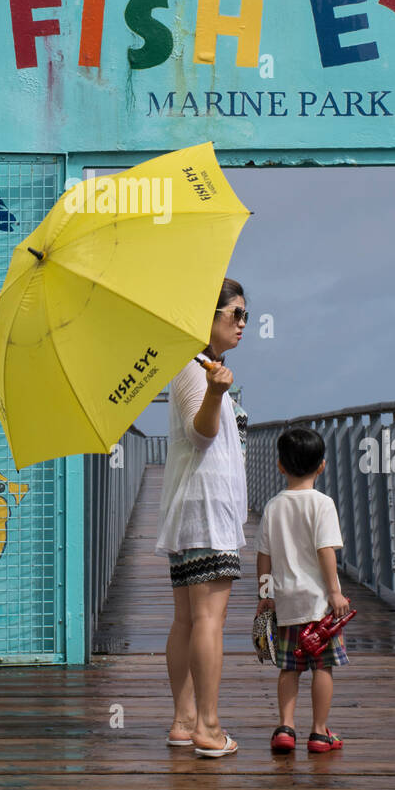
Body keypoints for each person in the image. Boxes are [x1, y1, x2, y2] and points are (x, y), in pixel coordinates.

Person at [156, 278, 248, 758]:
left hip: (190, 505)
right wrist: (216, 394)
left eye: (246, 317)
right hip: (207, 508)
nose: (242, 325)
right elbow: (202, 435)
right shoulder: (195, 369)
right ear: (207, 316)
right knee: (209, 618)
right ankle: (208, 728)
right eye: (235, 314)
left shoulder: (196, 365)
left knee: (188, 620)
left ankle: (183, 719)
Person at [255, 426, 351, 753]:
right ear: (322, 465)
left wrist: (265, 595)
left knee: (289, 667)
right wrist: (335, 592)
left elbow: (264, 557)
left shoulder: (272, 507)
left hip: (285, 603)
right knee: (322, 667)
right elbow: (326, 551)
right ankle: (320, 732)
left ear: (280, 466)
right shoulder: (322, 504)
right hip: (319, 606)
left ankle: (286, 727)